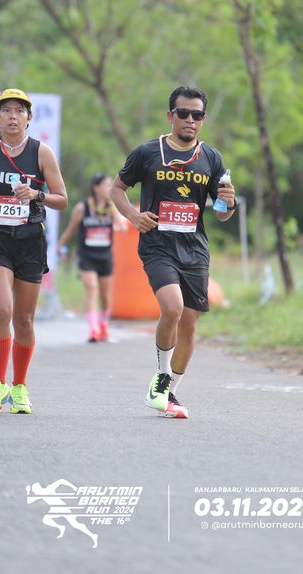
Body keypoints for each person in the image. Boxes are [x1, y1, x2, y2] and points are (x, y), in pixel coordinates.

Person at [110, 86, 236, 419]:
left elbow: (222, 212)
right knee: (172, 307)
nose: (190, 120)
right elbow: (116, 189)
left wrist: (229, 203)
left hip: (195, 249)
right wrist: (133, 215)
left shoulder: (211, 158)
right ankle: (162, 377)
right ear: (171, 116)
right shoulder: (147, 152)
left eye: (197, 115)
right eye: (183, 113)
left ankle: (170, 392)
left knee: (189, 325)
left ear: (203, 119)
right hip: (157, 245)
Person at [0, 88, 68, 414]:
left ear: (29, 118)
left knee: (23, 319)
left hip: (29, 241)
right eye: (6, 110)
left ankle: (19, 386)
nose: (12, 116)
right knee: (2, 309)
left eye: (19, 111)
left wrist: (36, 194)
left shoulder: (41, 153)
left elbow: (62, 199)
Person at [56, 173, 126, 342]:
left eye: (110, 185)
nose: (109, 188)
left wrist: (114, 207)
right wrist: (59, 246)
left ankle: (103, 326)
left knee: (105, 295)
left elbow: (123, 227)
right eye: (106, 185)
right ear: (95, 188)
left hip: (105, 256)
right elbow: (71, 230)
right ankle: (93, 329)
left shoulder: (110, 208)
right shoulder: (83, 208)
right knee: (92, 289)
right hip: (87, 256)